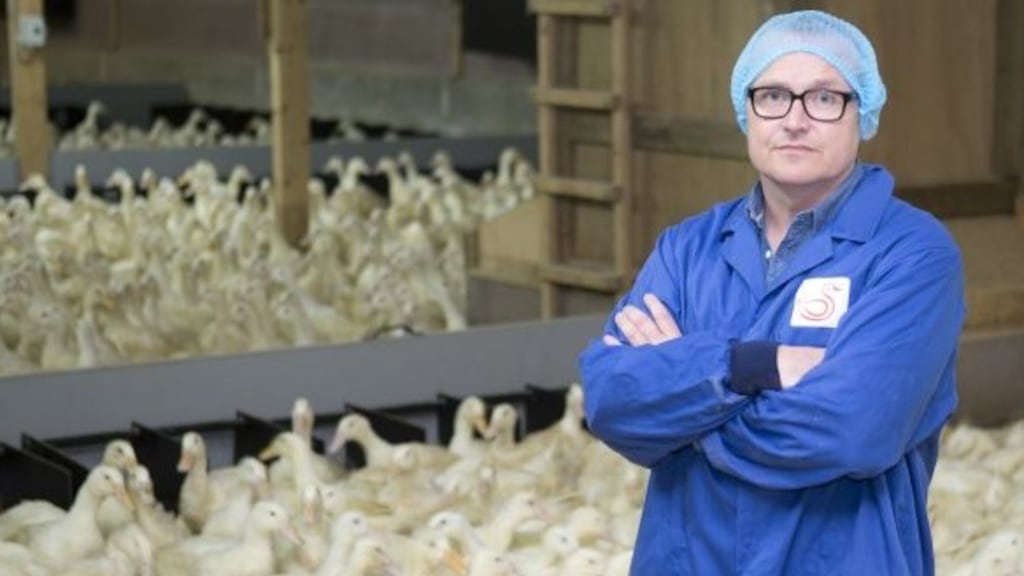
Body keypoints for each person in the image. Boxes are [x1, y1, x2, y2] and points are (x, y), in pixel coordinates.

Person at [579, 9, 965, 576]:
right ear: (746, 111)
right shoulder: (687, 249)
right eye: (774, 96)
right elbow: (611, 402)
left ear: (864, 114)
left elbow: (852, 432)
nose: (795, 119)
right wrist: (749, 365)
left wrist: (688, 409)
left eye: (825, 98)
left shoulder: (913, 255)